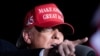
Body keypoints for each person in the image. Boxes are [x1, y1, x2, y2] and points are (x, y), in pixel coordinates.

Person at [0, 3, 88, 56]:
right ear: (27, 36)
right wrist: (46, 53)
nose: (57, 36)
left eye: (61, 30)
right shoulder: (5, 49)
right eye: (49, 28)